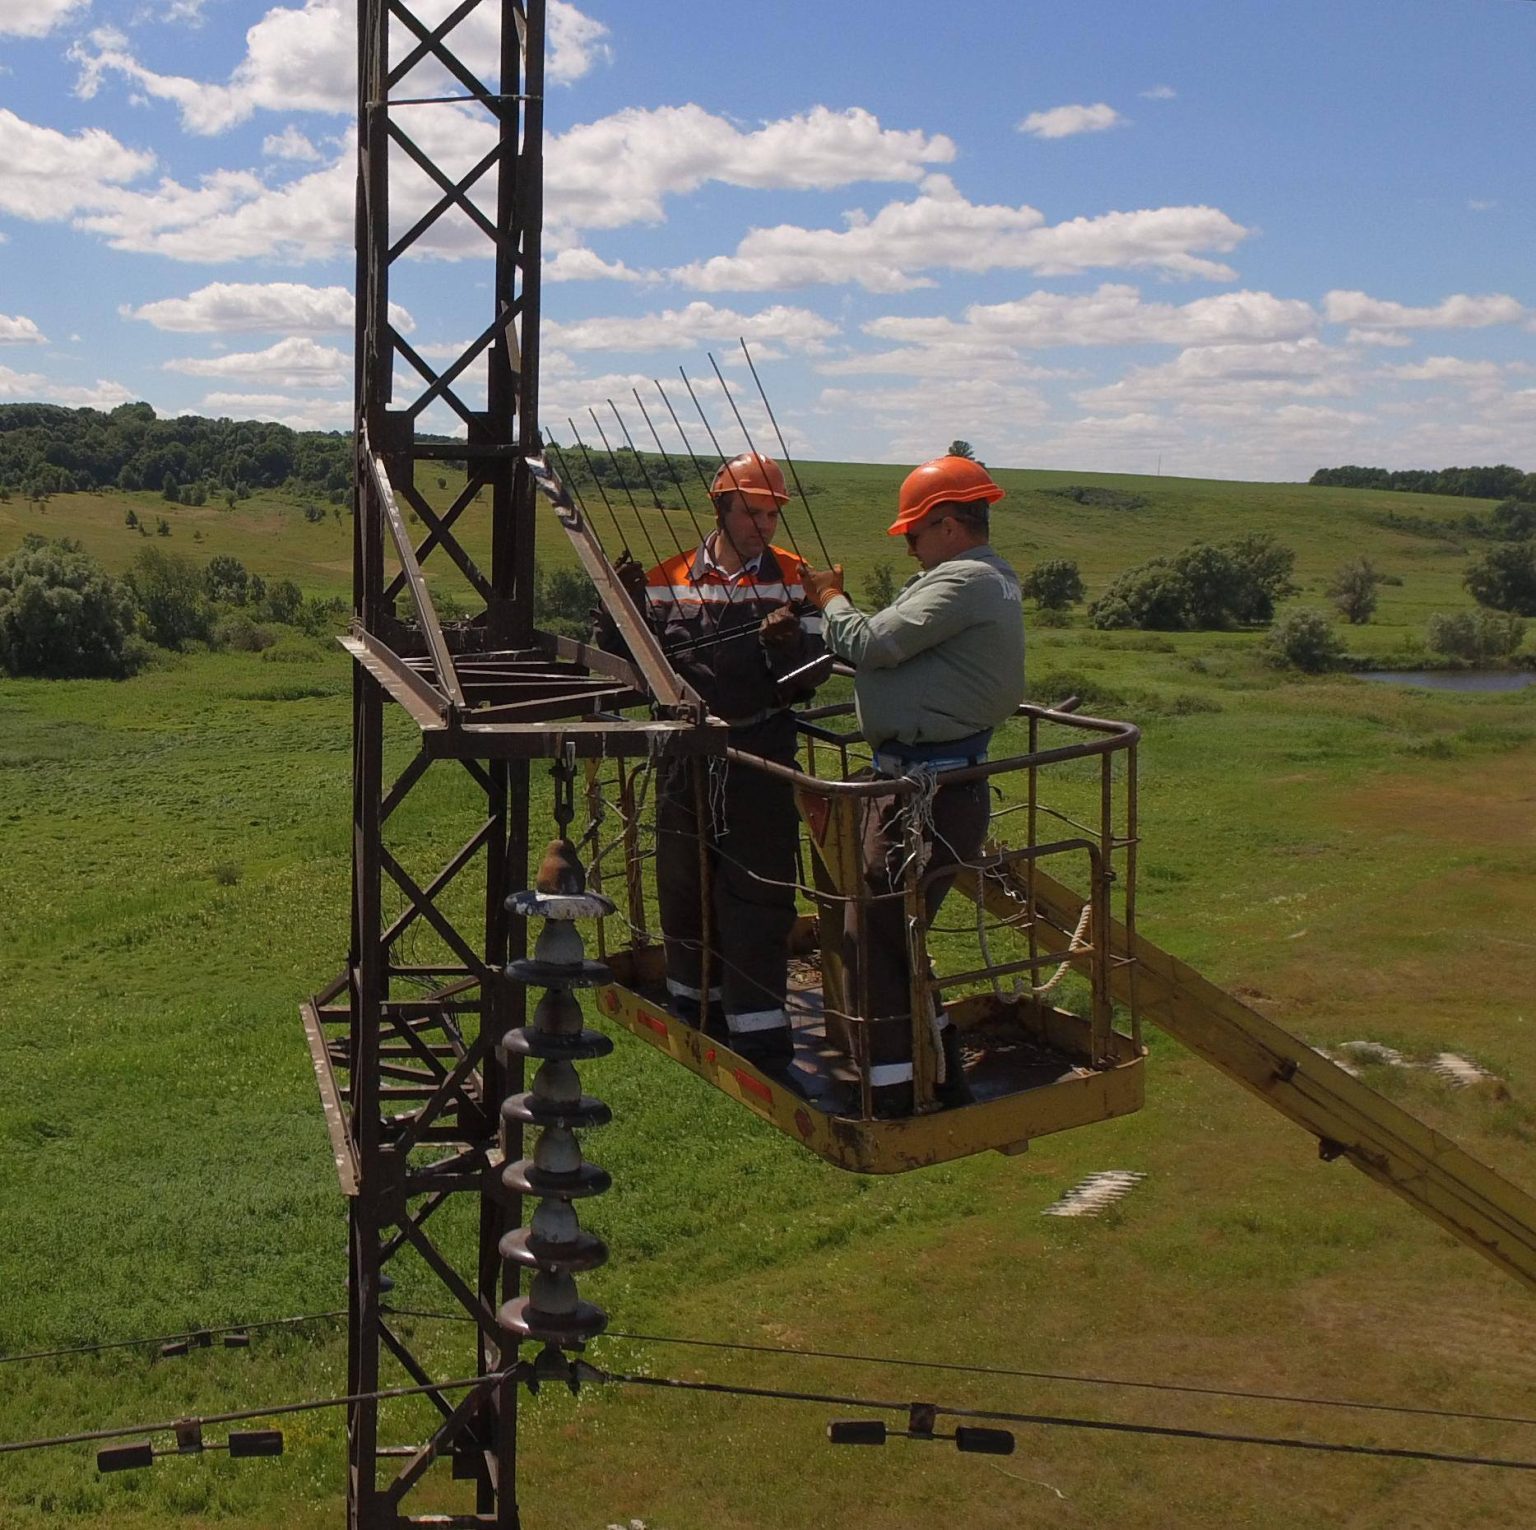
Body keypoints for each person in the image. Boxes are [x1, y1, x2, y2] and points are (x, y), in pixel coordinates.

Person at [801, 455, 1024, 1116]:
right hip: (924, 785)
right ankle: (932, 1067)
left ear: (950, 526)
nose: (908, 544)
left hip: (928, 792)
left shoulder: (964, 582)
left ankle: (900, 1086)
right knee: (887, 931)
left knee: (880, 933)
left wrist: (830, 599)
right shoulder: (985, 580)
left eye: (913, 533)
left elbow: (869, 645)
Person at [609, 452, 824, 1071]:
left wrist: (789, 651)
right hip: (685, 756)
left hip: (759, 755)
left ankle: (758, 1034)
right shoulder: (667, 576)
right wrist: (615, 610)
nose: (765, 525)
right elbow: (630, 667)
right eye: (753, 511)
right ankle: (691, 1006)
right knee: (682, 879)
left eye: (772, 514)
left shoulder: (797, 578)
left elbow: (817, 672)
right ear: (721, 507)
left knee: (756, 889)